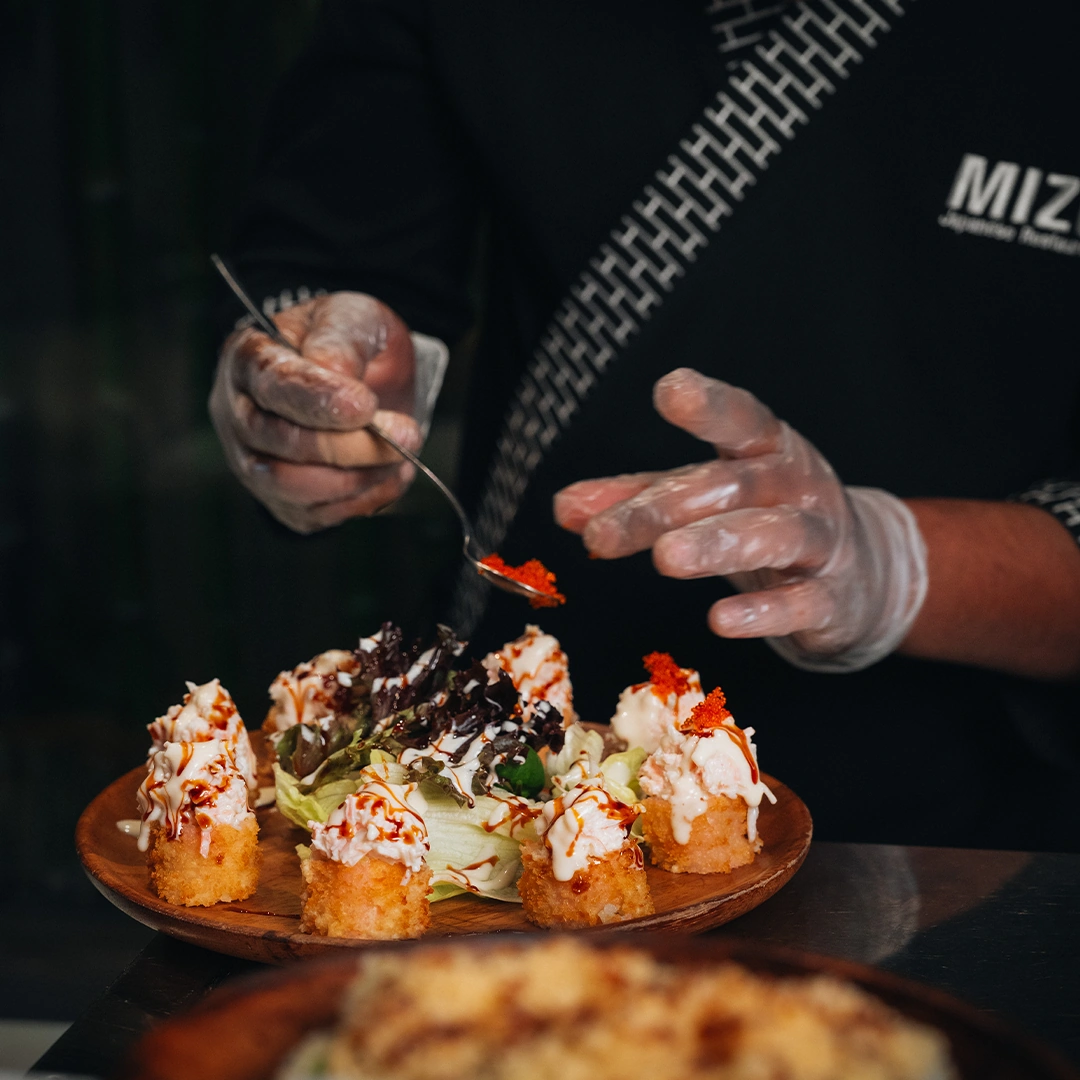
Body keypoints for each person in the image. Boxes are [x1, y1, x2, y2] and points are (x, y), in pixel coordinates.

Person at [210, 0, 1080, 851]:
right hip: (506, 763)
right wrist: (315, 378)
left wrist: (896, 568)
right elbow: (338, 234)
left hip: (977, 823)